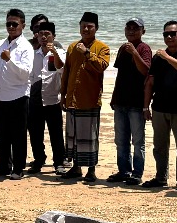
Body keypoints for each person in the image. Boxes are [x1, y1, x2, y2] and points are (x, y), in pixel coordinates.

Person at [143, 20, 177, 191]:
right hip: (159, 107)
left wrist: (168, 57)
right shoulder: (158, 58)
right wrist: (146, 107)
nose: (169, 37)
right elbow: (150, 82)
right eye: (165, 34)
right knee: (159, 146)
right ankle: (161, 177)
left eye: (172, 34)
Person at [61, 12, 110, 182]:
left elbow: (102, 66)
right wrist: (63, 95)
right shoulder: (72, 46)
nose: (86, 29)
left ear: (96, 28)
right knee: (73, 136)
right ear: (79, 27)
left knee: (90, 136)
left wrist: (87, 53)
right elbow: (66, 72)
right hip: (72, 99)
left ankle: (91, 170)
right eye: (83, 26)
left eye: (90, 26)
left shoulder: (102, 47)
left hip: (90, 99)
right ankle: (76, 168)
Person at [0, 8, 34, 179]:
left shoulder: (26, 47)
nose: (11, 27)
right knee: (1, 134)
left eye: (15, 24)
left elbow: (25, 73)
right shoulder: (1, 43)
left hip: (18, 96)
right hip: (0, 96)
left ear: (22, 25)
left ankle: (18, 168)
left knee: (19, 134)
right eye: (8, 23)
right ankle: (4, 165)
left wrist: (10, 60)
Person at [108, 17, 153, 185]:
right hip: (120, 102)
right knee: (121, 140)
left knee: (138, 140)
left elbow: (145, 71)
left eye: (135, 28)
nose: (131, 31)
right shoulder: (122, 48)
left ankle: (137, 173)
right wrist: (114, 98)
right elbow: (120, 75)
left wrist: (135, 53)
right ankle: (124, 171)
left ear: (143, 31)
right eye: (129, 28)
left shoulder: (144, 48)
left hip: (136, 103)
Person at [28, 21, 66, 175]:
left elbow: (61, 68)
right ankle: (39, 160)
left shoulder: (60, 52)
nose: (43, 37)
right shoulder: (33, 54)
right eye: (41, 34)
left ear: (53, 36)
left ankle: (59, 162)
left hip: (53, 99)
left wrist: (54, 52)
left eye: (47, 34)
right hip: (35, 98)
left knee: (56, 133)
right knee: (35, 133)